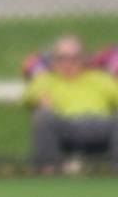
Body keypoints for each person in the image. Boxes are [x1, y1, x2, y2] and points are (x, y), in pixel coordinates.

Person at [21, 35, 118, 173]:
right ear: (54, 60)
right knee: (42, 117)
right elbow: (28, 97)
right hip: (66, 126)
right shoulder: (45, 80)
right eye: (62, 58)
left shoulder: (100, 78)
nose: (68, 63)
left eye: (74, 58)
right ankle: (48, 171)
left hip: (100, 125)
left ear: (84, 59)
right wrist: (40, 101)